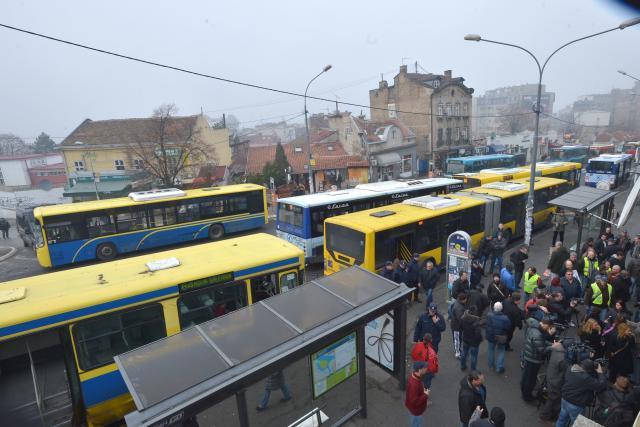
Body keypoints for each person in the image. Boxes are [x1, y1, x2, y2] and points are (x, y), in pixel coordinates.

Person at [556, 359, 607, 427]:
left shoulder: (570, 368)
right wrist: (600, 373)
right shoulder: (585, 378)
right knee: (577, 424)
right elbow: (601, 385)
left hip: (564, 399)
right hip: (575, 404)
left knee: (561, 419)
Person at [522, 318, 556, 402]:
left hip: (529, 355)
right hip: (534, 359)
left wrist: (551, 344)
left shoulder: (534, 327)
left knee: (526, 376)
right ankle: (527, 397)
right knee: (531, 380)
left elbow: (542, 341)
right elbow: (542, 350)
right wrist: (552, 347)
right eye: (548, 328)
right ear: (546, 325)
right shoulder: (538, 334)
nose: (548, 330)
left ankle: (523, 390)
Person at [539, 341, 566, 421]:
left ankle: (547, 415)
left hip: (550, 377)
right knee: (552, 399)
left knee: (552, 399)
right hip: (555, 381)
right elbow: (564, 370)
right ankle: (545, 415)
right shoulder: (562, 358)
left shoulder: (555, 350)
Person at [485, 302, 511, 374]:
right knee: (501, 350)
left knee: (491, 350)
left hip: (491, 336)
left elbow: (486, 325)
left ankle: (491, 365)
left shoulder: (489, 315)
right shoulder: (505, 318)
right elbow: (508, 328)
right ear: (501, 309)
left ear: (494, 308)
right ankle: (499, 367)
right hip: (501, 337)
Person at [405, 361, 430, 427]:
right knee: (416, 424)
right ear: (419, 370)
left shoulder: (414, 376)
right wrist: (425, 395)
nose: (426, 368)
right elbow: (414, 401)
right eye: (425, 367)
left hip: (415, 409)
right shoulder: (414, 384)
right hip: (416, 411)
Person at [461, 306, 483, 372]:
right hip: (474, 342)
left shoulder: (463, 318)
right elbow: (478, 334)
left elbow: (461, 327)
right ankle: (473, 370)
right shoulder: (476, 322)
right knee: (473, 356)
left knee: (464, 353)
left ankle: (463, 366)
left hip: (465, 339)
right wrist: (480, 340)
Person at [451, 292, 469, 359]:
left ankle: (458, 350)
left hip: (455, 325)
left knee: (457, 339)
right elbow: (461, 319)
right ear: (463, 299)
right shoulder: (459, 308)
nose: (466, 300)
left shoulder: (457, 303)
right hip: (457, 327)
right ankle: (457, 353)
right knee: (457, 340)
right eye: (466, 299)